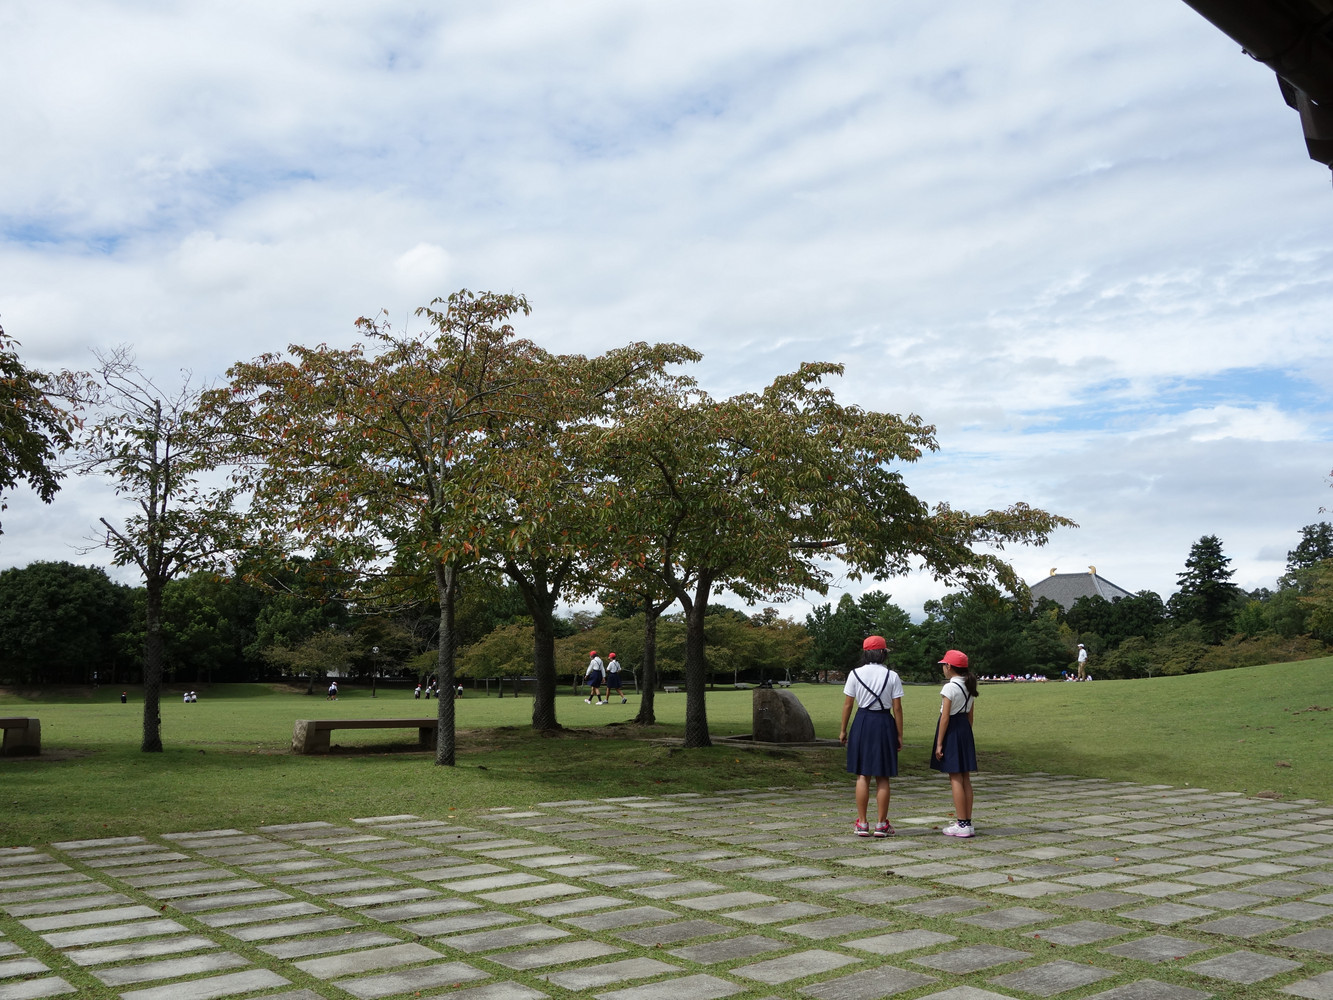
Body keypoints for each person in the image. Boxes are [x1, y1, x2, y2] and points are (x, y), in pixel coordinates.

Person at [839, 635, 904, 838]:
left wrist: (843, 730)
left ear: (865, 653)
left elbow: (848, 704)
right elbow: (897, 708)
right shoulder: (892, 675)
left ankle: (862, 823)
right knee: (883, 776)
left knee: (862, 774)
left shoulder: (855, 674)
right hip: (884, 722)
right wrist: (899, 734)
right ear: (883, 653)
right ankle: (881, 824)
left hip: (863, 722)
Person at [932, 649, 978, 838]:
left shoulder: (949, 688)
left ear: (949, 666)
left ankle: (961, 823)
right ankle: (967, 822)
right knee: (965, 776)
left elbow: (945, 718)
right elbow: (970, 715)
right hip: (964, 729)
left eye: (944, 665)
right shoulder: (969, 685)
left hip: (951, 730)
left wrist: (939, 743)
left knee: (955, 777)